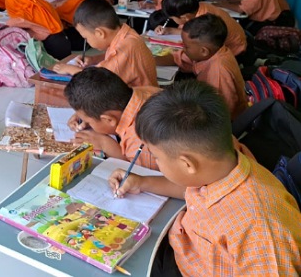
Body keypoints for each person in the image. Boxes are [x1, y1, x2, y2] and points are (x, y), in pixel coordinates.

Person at [109, 81, 301, 277]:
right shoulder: (221, 163)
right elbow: (191, 189)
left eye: (156, 157)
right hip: (183, 248)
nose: (156, 161)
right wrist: (141, 182)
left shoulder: (260, 231)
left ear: (187, 164)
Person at [64, 67, 161, 170]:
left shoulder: (140, 140)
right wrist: (85, 113)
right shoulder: (139, 92)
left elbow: (140, 175)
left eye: (89, 122)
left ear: (109, 120)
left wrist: (105, 145)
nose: (85, 124)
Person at [53, 0, 157, 87]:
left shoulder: (124, 48)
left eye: (86, 38)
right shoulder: (126, 34)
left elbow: (100, 81)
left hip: (140, 101)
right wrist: (93, 59)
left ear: (100, 33)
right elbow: (114, 58)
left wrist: (71, 70)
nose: (86, 41)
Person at [176, 15, 247, 120]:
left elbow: (221, 112)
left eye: (186, 46)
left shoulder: (218, 73)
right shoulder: (217, 51)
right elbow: (186, 59)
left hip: (223, 120)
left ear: (204, 51)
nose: (183, 48)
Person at [158, 0, 247, 56]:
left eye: (172, 18)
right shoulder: (199, 7)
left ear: (185, 17)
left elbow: (199, 47)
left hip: (234, 51)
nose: (172, 20)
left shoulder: (204, 21)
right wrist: (169, 30)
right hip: (235, 44)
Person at [5, 0, 71, 60]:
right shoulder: (42, 4)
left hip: (53, 49)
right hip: (64, 41)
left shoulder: (23, 17)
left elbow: (10, 24)